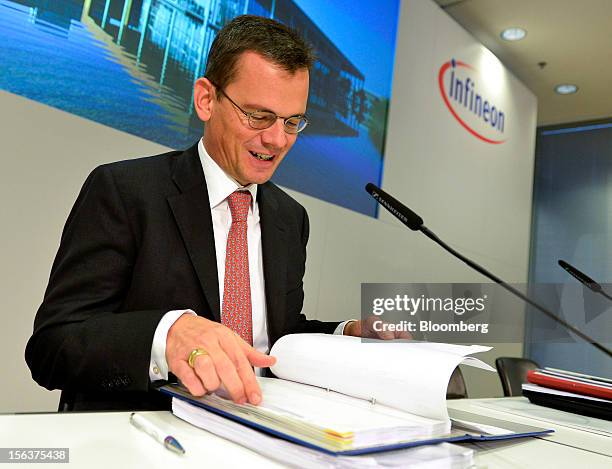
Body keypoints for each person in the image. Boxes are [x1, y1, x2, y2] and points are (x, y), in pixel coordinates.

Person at [25, 15, 400, 412]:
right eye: (258, 116)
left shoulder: (290, 219)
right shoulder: (125, 191)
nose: (277, 140)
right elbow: (53, 347)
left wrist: (346, 334)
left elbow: (276, 339)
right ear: (206, 99)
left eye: (292, 122)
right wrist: (166, 336)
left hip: (258, 437)